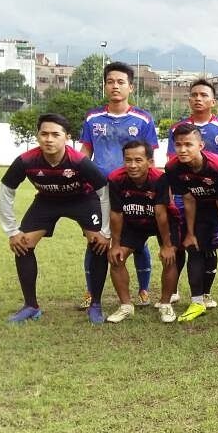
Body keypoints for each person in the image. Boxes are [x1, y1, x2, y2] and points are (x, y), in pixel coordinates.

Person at [0, 113, 111, 323]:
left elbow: (104, 191)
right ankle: (31, 306)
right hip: (47, 200)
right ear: (37, 136)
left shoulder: (79, 161)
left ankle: (95, 304)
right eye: (44, 134)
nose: (49, 139)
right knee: (23, 244)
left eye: (55, 134)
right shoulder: (26, 160)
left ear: (66, 137)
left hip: (82, 199)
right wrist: (12, 231)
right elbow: (5, 191)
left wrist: (106, 231)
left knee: (98, 243)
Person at [78, 62, 158, 309]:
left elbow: (151, 158)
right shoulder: (93, 117)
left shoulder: (142, 119)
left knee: (138, 240)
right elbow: (85, 152)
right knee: (95, 241)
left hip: (131, 190)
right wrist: (80, 182)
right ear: (105, 85)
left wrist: (150, 187)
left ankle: (144, 289)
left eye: (121, 82)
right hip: (99, 191)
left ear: (131, 87)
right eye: (110, 81)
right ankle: (92, 292)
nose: (115, 86)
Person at [165, 79, 218, 309]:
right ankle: (173, 290)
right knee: (184, 242)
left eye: (203, 95)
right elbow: (172, 164)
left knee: (213, 244)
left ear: (213, 101)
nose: (198, 99)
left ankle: (207, 293)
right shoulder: (177, 129)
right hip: (188, 195)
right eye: (194, 94)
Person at [106, 140, 180, 323]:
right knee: (116, 258)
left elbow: (161, 213)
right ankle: (125, 306)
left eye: (138, 160)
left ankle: (165, 304)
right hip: (133, 222)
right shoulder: (115, 178)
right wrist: (115, 245)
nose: (132, 165)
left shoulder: (160, 178)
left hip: (160, 221)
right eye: (128, 160)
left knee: (169, 257)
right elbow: (116, 213)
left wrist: (167, 246)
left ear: (149, 161)